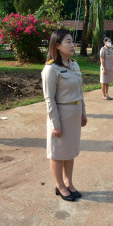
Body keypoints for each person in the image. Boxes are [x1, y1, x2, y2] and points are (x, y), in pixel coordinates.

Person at [41, 28, 87, 202]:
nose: (72, 45)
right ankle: (59, 185)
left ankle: (69, 182)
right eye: (68, 41)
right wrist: (55, 124)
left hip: (74, 116)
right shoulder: (51, 69)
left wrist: (83, 112)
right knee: (58, 153)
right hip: (61, 116)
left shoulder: (74, 64)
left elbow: (79, 92)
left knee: (70, 151)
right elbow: (49, 99)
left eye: (72, 41)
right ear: (57, 45)